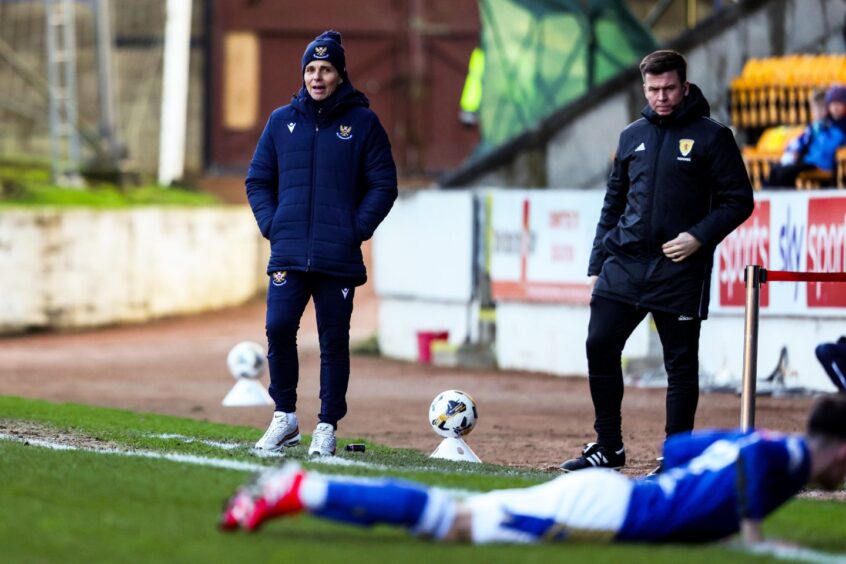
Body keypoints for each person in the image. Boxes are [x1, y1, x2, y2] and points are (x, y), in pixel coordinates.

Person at [220, 395, 846, 548]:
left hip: (611, 499)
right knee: (453, 522)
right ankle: (301, 487)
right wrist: (755, 532)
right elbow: (750, 472)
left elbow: (683, 449)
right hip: (610, 510)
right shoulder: (782, 458)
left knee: (452, 521)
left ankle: (302, 490)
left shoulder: (768, 443)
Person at [560, 50, 754, 473]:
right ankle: (608, 446)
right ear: (644, 88)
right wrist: (598, 263)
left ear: (685, 87)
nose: (661, 97)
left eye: (669, 88)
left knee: (680, 366)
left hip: (679, 268)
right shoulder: (631, 135)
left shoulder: (713, 136)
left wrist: (698, 237)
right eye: (653, 89)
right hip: (624, 263)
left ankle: (677, 456)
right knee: (599, 345)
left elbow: (739, 200)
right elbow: (613, 202)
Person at [245, 30, 398, 457]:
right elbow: (257, 179)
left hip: (338, 254)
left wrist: (355, 228)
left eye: (325, 69)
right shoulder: (281, 122)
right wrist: (273, 224)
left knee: (333, 340)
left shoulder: (363, 123)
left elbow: (384, 185)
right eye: (311, 69)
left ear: (340, 75)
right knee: (277, 328)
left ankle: (327, 425)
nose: (317, 77)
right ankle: (285, 417)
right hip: (288, 250)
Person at [766, 85, 846, 188]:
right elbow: (804, 141)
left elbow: (829, 146)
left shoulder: (839, 127)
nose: (835, 107)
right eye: (833, 103)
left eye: (839, 103)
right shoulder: (822, 124)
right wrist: (796, 151)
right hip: (810, 160)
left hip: (820, 163)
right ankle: (769, 197)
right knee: (777, 170)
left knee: (785, 172)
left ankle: (785, 200)